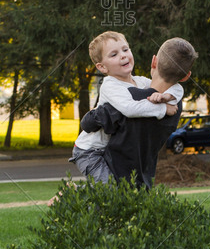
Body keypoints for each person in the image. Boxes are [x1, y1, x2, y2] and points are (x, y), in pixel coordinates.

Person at [80, 37, 197, 189]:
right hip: (89, 149)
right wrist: (163, 108)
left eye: (125, 50)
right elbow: (127, 110)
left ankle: (75, 192)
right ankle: (72, 195)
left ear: (154, 61)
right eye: (114, 54)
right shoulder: (113, 87)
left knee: (110, 192)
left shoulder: (140, 83)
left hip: (105, 149)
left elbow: (175, 89)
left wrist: (167, 96)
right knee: (108, 191)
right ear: (186, 76)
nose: (122, 55)